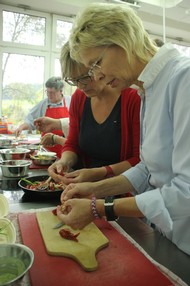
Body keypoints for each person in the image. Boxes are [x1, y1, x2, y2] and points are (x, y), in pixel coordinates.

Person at [55, 3, 190, 256]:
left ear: (123, 39)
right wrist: (95, 189)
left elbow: (187, 192)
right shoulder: (147, 90)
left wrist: (101, 208)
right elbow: (148, 168)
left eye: (96, 64)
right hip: (167, 236)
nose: (96, 78)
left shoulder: (184, 80)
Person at [48, 41, 140, 184]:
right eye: (74, 80)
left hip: (122, 190)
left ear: (99, 68)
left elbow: (138, 160)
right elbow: (73, 144)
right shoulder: (79, 97)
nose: (80, 86)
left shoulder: (132, 99)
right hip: (84, 186)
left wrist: (100, 173)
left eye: (85, 77)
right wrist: (64, 161)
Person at [15, 76, 71, 157]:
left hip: (66, 146)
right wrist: (20, 127)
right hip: (47, 149)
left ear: (61, 91)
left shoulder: (71, 101)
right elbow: (31, 120)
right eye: (47, 92)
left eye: (52, 92)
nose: (49, 95)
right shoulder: (43, 104)